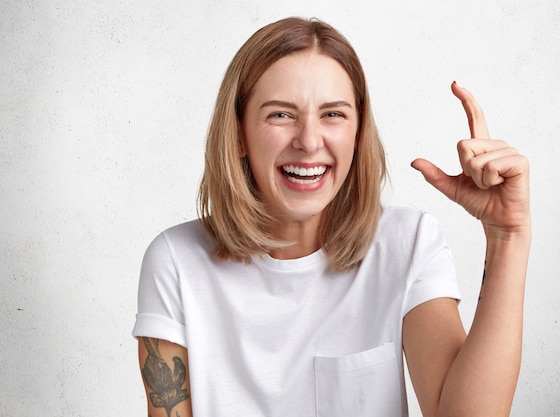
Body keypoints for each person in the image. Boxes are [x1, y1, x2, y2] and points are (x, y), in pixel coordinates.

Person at [132, 16, 531, 417]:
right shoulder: (176, 262)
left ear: (357, 132)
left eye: (333, 114)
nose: (308, 141)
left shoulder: (408, 245)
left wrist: (507, 236)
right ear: (238, 133)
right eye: (280, 115)